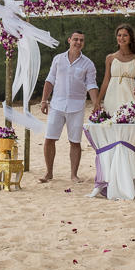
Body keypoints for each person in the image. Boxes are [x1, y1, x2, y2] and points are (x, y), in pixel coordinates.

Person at [39, 30, 100, 183]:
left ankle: (74, 174)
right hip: (57, 105)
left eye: (81, 40)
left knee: (75, 141)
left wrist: (96, 103)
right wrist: (44, 100)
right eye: (75, 39)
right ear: (69, 40)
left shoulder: (88, 63)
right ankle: (49, 173)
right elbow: (50, 80)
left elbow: (91, 84)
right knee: (49, 139)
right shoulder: (58, 59)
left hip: (77, 106)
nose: (78, 42)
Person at [97, 23, 135, 116]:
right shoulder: (110, 58)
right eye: (119, 35)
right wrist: (98, 102)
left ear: (130, 38)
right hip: (112, 96)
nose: (121, 38)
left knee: (130, 123)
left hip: (130, 95)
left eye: (125, 35)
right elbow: (106, 81)